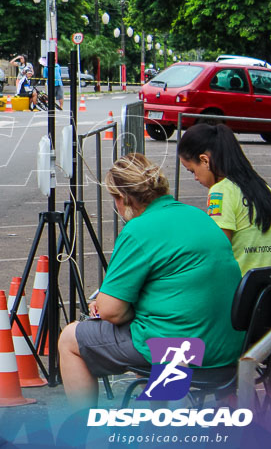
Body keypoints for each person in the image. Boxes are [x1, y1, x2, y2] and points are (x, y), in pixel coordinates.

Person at [58, 154, 244, 408]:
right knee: (154, 326)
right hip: (227, 349)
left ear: (123, 198)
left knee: (70, 338)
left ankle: (82, 433)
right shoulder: (198, 215)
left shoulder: (138, 230)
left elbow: (111, 310)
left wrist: (118, 309)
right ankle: (158, 423)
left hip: (183, 351)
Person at [178, 123, 271, 274]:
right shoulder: (263, 187)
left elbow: (217, 250)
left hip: (245, 287)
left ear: (205, 160)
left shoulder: (220, 192)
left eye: (192, 170)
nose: (195, 178)